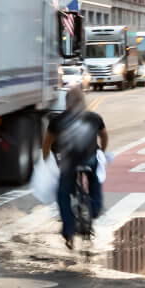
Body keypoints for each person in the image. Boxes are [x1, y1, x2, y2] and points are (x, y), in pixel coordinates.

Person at [42, 85, 108, 250]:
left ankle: (69, 231)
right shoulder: (94, 118)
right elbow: (104, 136)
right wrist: (102, 151)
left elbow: (47, 143)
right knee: (95, 182)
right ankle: (95, 209)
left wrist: (46, 159)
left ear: (66, 104)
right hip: (91, 160)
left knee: (63, 194)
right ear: (83, 102)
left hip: (69, 163)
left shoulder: (57, 121)